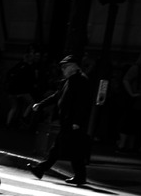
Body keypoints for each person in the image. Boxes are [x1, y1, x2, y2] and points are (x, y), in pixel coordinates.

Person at [28, 52, 93, 186]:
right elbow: (57, 96)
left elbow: (83, 104)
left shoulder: (81, 81)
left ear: (74, 67)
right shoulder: (69, 81)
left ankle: (41, 168)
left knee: (61, 148)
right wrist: (41, 104)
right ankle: (80, 176)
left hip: (73, 122)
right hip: (67, 121)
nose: (63, 70)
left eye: (65, 67)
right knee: (71, 150)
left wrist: (77, 122)